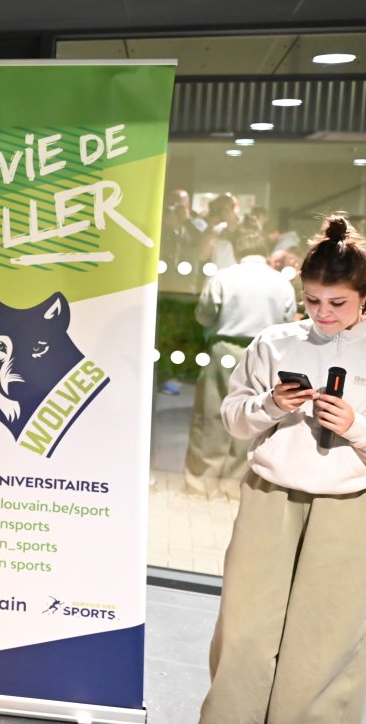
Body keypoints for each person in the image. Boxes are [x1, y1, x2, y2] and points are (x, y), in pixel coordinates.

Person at [200, 214, 366, 723]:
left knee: (326, 640)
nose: (322, 313)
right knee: (245, 628)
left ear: (363, 298)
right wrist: (271, 405)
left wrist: (356, 427)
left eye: (337, 303)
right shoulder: (274, 342)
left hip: (349, 506)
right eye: (312, 300)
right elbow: (234, 419)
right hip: (268, 495)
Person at [184, 225, 296, 496]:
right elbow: (287, 319)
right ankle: (234, 484)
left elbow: (204, 315)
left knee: (211, 415)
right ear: (263, 252)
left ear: (236, 250)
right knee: (252, 415)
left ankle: (202, 484)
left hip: (224, 350)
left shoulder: (222, 277)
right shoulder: (281, 282)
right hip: (264, 353)